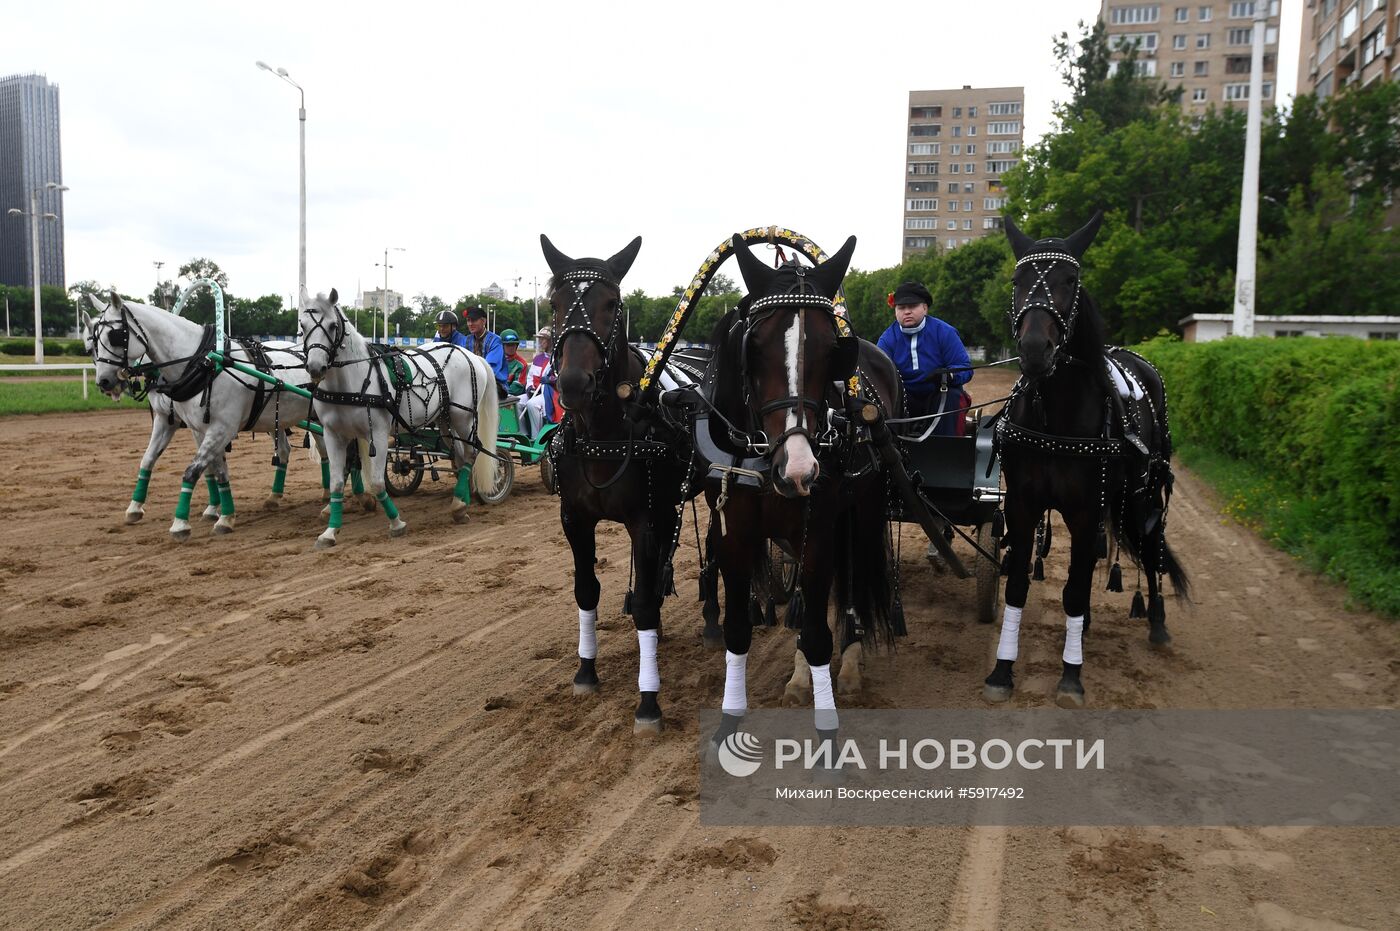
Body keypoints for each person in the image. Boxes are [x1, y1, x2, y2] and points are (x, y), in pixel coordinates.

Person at [876, 280, 973, 438]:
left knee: (953, 396)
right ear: (895, 311)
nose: (907, 311)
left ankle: (947, 452)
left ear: (925, 308)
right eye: (901, 308)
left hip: (939, 393)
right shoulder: (887, 339)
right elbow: (878, 373)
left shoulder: (945, 332)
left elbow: (965, 368)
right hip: (904, 397)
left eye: (912, 306)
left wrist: (948, 376)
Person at [461, 306, 511, 391]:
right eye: (468, 320)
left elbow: (490, 367)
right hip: (472, 382)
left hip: (495, 383)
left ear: (483, 321)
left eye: (473, 320)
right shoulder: (466, 340)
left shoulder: (495, 340)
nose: (470, 324)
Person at [521, 327, 556, 439]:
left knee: (532, 405)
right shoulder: (537, 358)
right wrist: (529, 388)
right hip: (534, 392)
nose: (540, 342)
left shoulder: (557, 358)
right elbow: (530, 377)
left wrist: (550, 380)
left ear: (551, 340)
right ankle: (523, 435)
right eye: (539, 339)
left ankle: (536, 438)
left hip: (549, 394)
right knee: (516, 402)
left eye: (543, 339)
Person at [500, 330, 528, 397]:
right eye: (508, 345)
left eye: (513, 345)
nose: (511, 347)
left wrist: (499, 394)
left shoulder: (522, 364)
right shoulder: (495, 361)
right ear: (502, 345)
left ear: (517, 345)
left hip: (511, 398)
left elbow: (517, 388)